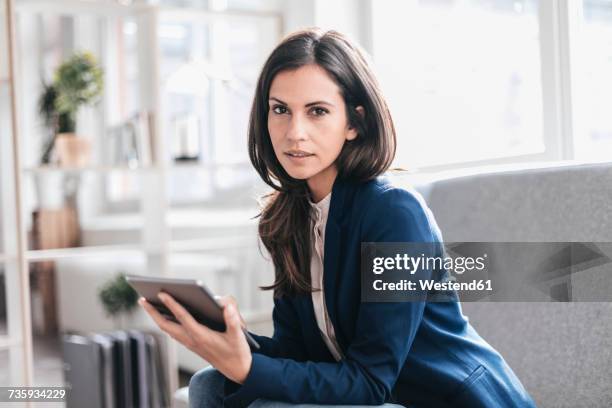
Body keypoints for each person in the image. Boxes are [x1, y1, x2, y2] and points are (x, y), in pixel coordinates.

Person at [139, 28, 536, 408]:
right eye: (280, 110)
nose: (294, 132)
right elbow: (301, 353)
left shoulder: (395, 213)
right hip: (382, 395)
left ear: (354, 123)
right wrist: (230, 342)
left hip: (434, 400)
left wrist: (247, 366)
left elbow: (370, 380)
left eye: (317, 111)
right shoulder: (287, 219)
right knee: (209, 382)